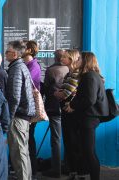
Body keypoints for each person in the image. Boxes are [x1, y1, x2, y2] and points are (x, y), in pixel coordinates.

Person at [65, 52, 107, 180]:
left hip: (89, 119)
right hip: (87, 118)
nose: (77, 60)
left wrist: (72, 106)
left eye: (79, 59)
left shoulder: (90, 76)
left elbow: (89, 99)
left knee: (89, 153)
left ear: (85, 61)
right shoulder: (91, 76)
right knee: (86, 151)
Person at [5, 40, 35, 180]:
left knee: (18, 153)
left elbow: (15, 97)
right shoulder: (20, 66)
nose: (5, 54)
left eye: (7, 51)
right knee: (23, 152)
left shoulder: (16, 68)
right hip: (23, 116)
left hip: (18, 116)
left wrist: (9, 118)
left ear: (15, 54)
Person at [54, 50, 82, 179]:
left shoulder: (75, 74)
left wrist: (58, 93)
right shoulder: (69, 74)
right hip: (65, 111)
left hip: (71, 113)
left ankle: (76, 172)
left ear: (71, 59)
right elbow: (63, 91)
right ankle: (72, 172)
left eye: (65, 57)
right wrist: (60, 92)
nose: (61, 58)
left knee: (72, 142)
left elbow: (65, 93)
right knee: (68, 142)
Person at [41, 49, 69, 178]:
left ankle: (56, 170)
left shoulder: (51, 70)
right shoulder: (70, 70)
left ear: (55, 57)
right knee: (69, 139)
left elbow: (46, 88)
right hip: (69, 108)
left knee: (56, 140)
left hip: (54, 108)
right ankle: (69, 167)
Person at [23, 40, 42, 175]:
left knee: (29, 139)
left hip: (30, 107)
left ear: (29, 50)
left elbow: (26, 84)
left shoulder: (33, 66)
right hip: (26, 106)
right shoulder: (26, 65)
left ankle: (32, 171)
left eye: (22, 47)